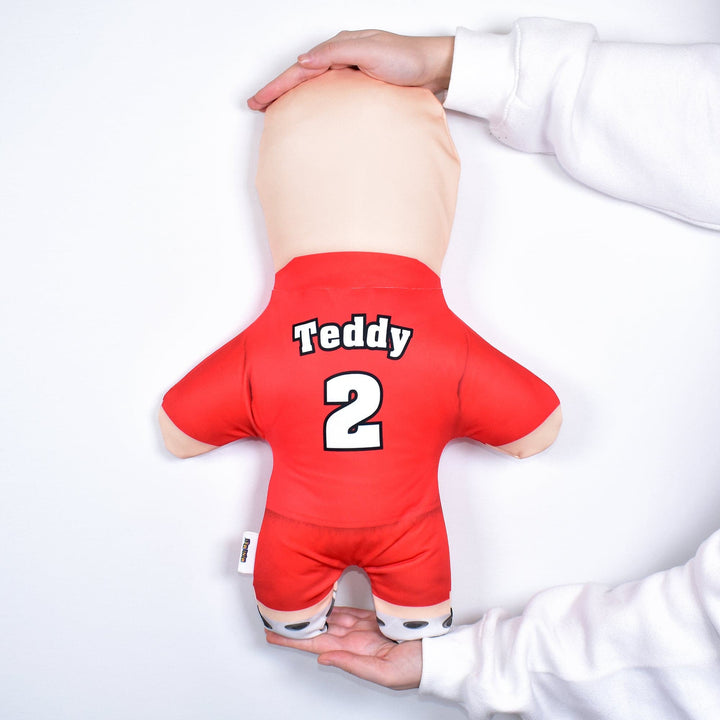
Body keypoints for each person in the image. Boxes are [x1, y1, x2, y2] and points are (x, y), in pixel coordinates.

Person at [250, 18, 720, 719]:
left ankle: (297, 611)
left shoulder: (270, 340)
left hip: (302, 526)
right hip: (413, 538)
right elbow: (533, 417)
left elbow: (188, 414)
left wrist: (474, 67)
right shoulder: (440, 340)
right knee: (412, 570)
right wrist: (465, 66)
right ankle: (409, 611)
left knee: (304, 573)